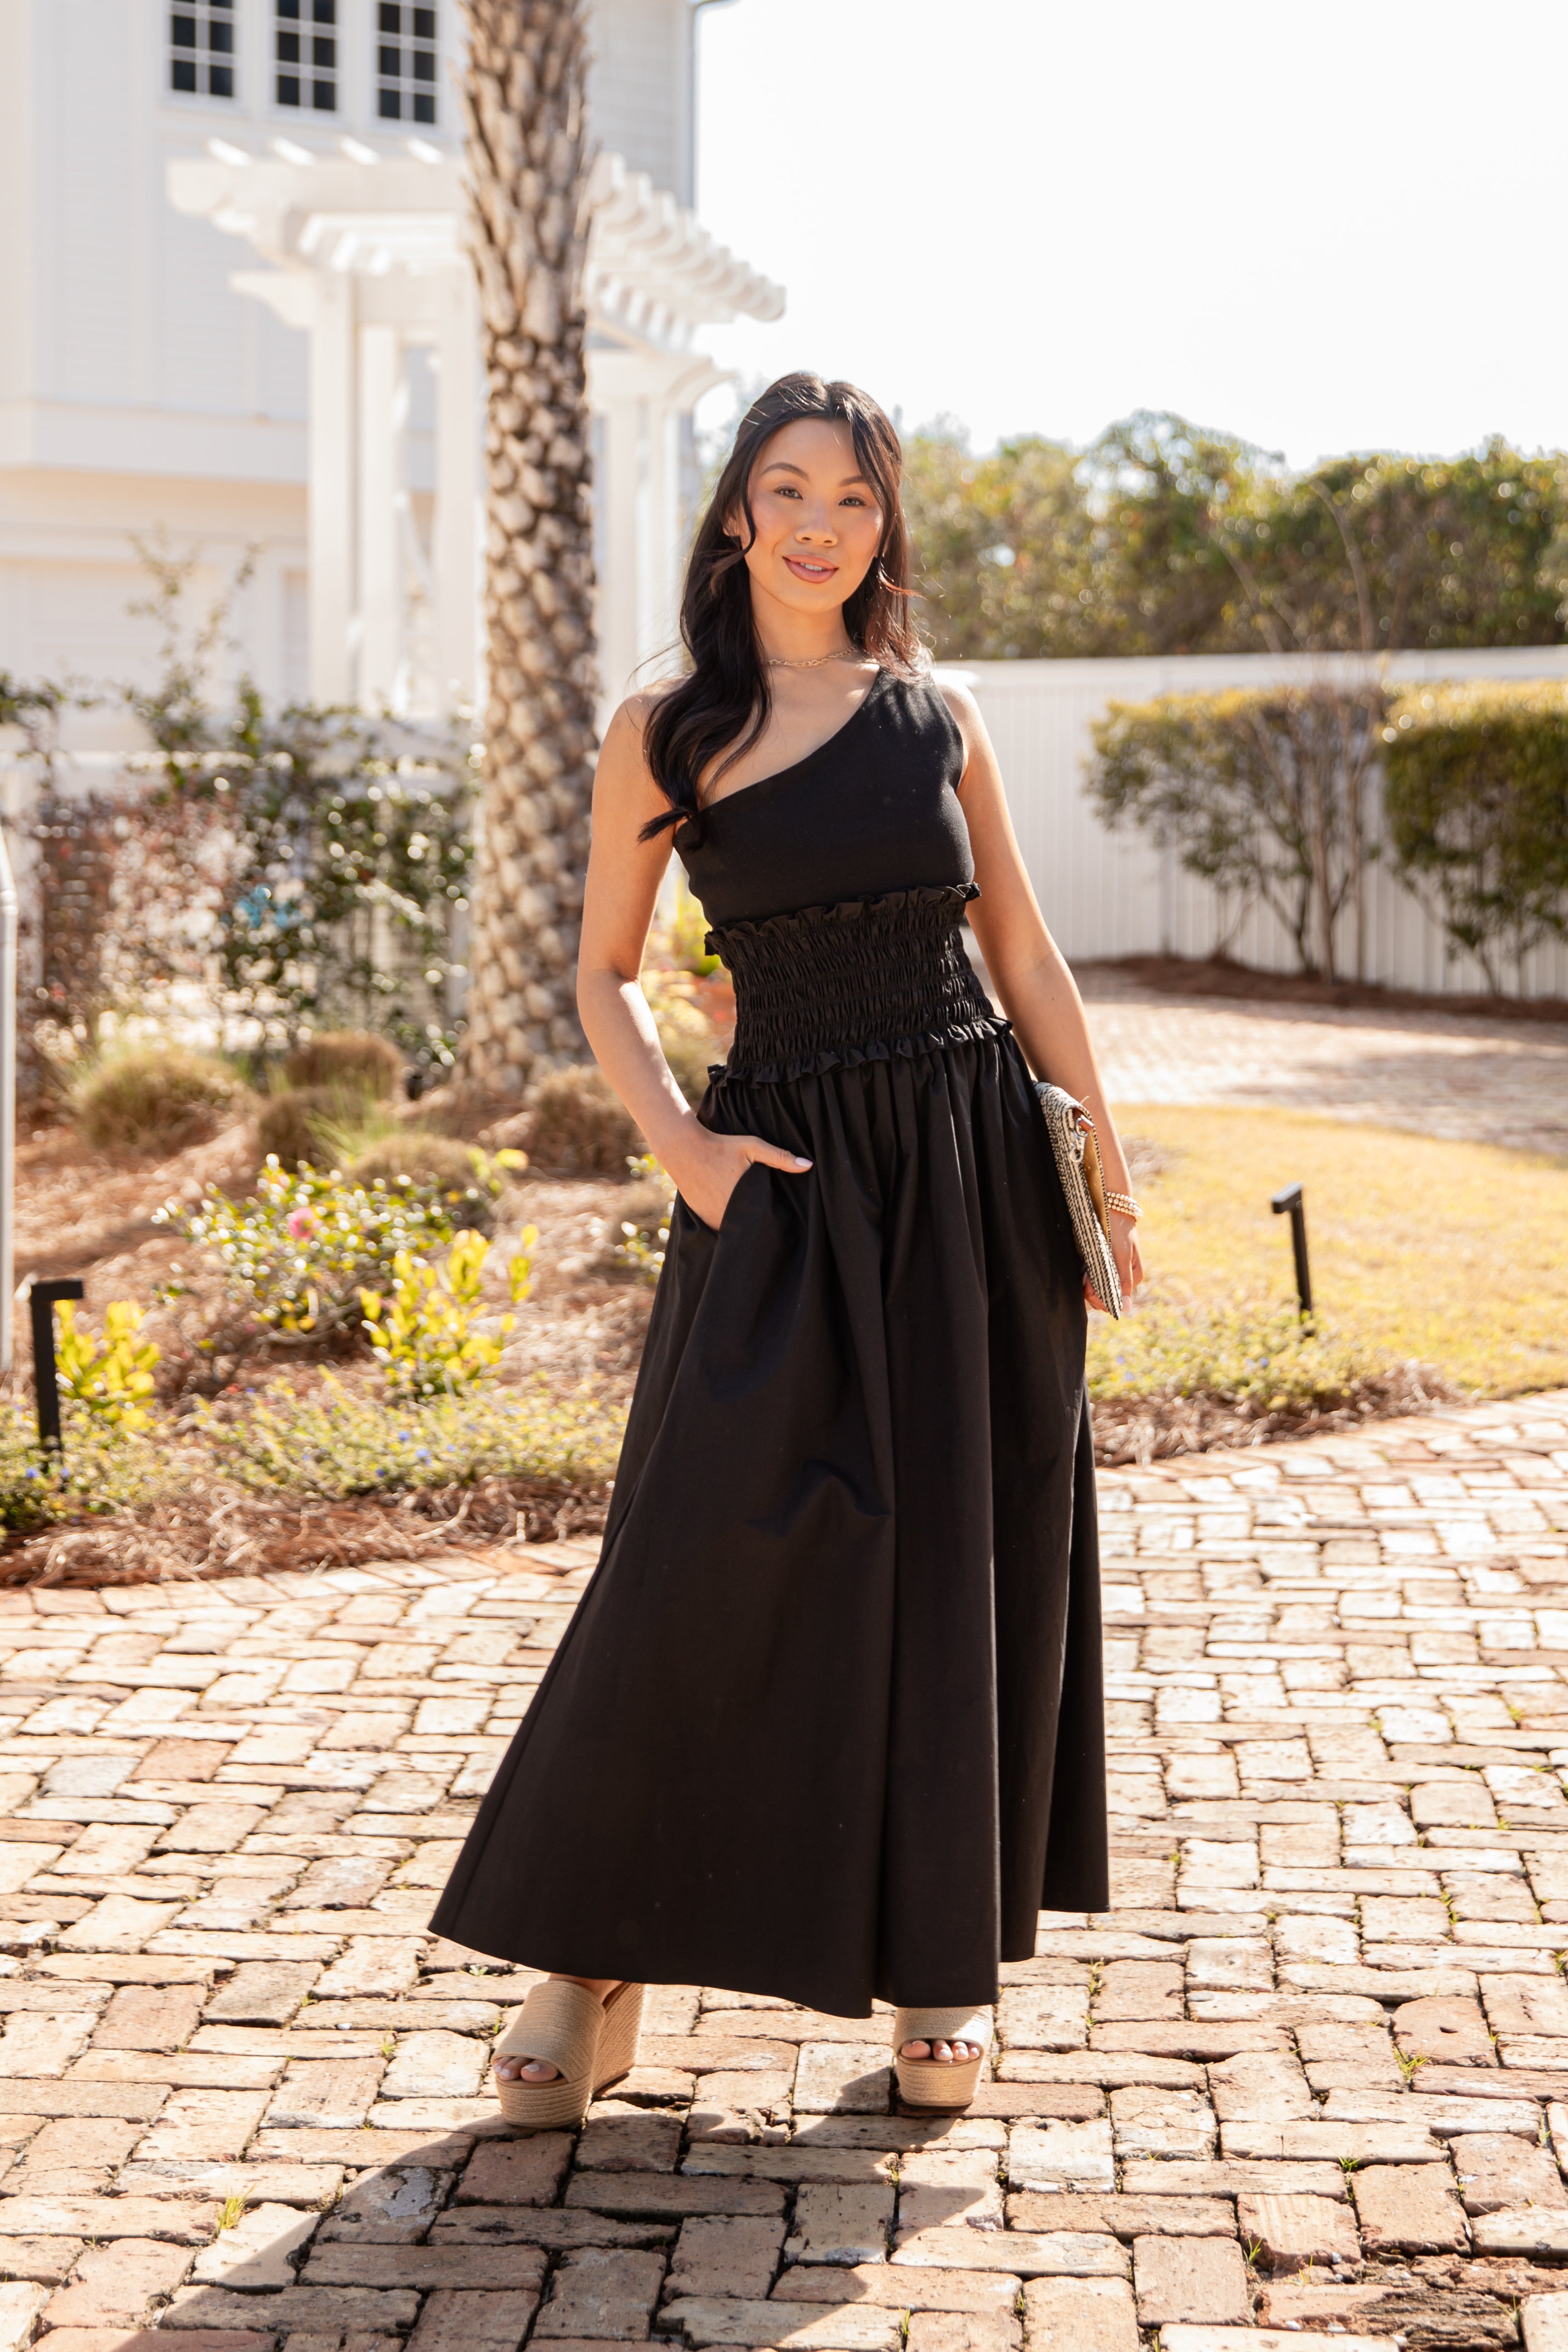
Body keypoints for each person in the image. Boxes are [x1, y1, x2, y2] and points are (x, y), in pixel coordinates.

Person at [431, 371, 1142, 2127]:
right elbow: (601, 970)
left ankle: (937, 1967)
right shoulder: (665, 729)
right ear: (735, 513)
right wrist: (682, 1148)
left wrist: (1104, 1183)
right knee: (707, 1554)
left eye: (854, 494)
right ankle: (586, 1964)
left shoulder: (937, 716)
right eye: (786, 488)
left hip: (973, 1176)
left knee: (963, 1558)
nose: (821, 522)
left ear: (884, 522)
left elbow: (1027, 963)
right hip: (786, 1184)